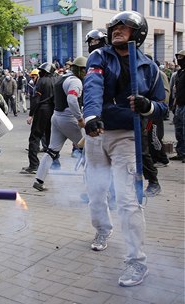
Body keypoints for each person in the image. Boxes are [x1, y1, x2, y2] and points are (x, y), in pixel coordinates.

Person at [83, 11, 167, 287]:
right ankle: (102, 231)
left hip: (127, 138)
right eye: (115, 26)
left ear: (138, 33)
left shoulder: (150, 68)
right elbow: (93, 85)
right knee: (96, 193)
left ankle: (136, 262)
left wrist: (148, 107)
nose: (117, 30)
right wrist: (91, 115)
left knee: (127, 199)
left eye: (125, 27)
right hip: (97, 132)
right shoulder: (99, 57)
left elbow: (163, 107)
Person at [33, 56, 87, 191]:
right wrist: (80, 119)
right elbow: (72, 100)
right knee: (89, 150)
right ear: (80, 69)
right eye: (85, 70)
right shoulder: (75, 82)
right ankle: (92, 187)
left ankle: (39, 180)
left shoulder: (62, 78)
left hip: (57, 117)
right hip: (69, 118)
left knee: (51, 150)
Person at [21, 62, 55, 174]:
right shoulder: (55, 81)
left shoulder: (41, 81)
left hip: (42, 110)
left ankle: (34, 164)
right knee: (51, 139)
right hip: (52, 111)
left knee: (34, 137)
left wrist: (31, 114)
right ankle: (55, 164)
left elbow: (36, 100)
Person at [170, 49, 185, 162]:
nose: (179, 60)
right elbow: (177, 90)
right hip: (179, 105)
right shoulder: (179, 73)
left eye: (181, 57)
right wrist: (174, 104)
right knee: (178, 129)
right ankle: (181, 152)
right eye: (178, 57)